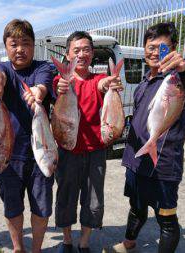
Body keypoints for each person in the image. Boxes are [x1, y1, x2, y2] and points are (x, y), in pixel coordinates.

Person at [109, 22, 185, 253]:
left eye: (161, 48)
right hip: (136, 160)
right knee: (136, 207)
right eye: (150, 47)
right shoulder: (144, 81)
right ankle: (129, 243)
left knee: (165, 218)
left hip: (163, 164)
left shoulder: (177, 80)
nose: (155, 53)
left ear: (173, 49)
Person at [0, 19, 54, 252]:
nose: (20, 49)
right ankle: (18, 248)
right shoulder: (2, 69)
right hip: (8, 157)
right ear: (6, 47)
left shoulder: (43, 67)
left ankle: (36, 249)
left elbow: (43, 84)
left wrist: (38, 92)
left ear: (34, 46)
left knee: (41, 208)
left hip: (39, 156)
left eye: (26, 43)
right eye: (14, 44)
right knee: (12, 208)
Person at [53, 31, 122, 253]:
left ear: (92, 53)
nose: (81, 54)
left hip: (95, 152)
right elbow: (57, 88)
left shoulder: (99, 79)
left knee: (93, 199)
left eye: (86, 50)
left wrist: (110, 84)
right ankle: (66, 241)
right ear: (67, 54)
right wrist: (61, 86)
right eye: (76, 50)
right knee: (66, 196)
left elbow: (102, 87)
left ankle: (84, 243)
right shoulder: (61, 80)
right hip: (68, 149)